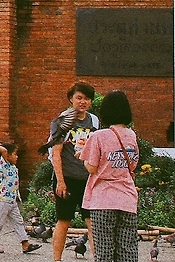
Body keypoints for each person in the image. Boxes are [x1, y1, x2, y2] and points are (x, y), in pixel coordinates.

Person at [83, 91, 139, 262]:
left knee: (104, 252)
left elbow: (92, 168)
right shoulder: (131, 135)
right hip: (127, 198)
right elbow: (133, 164)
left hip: (103, 199)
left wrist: (82, 157)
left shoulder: (98, 136)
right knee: (127, 251)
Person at [51, 82, 99, 262]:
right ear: (71, 99)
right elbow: (56, 153)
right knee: (64, 220)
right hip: (67, 177)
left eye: (87, 99)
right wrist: (60, 181)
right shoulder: (62, 121)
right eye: (79, 98)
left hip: (88, 178)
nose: (83, 102)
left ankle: (98, 258)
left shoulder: (94, 121)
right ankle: (57, 259)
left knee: (92, 222)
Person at [0, 140, 41, 254]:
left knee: (18, 222)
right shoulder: (4, 163)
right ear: (7, 156)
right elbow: (3, 150)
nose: (16, 156)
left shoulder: (13, 166)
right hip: (4, 199)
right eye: (14, 154)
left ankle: (25, 243)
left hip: (12, 201)